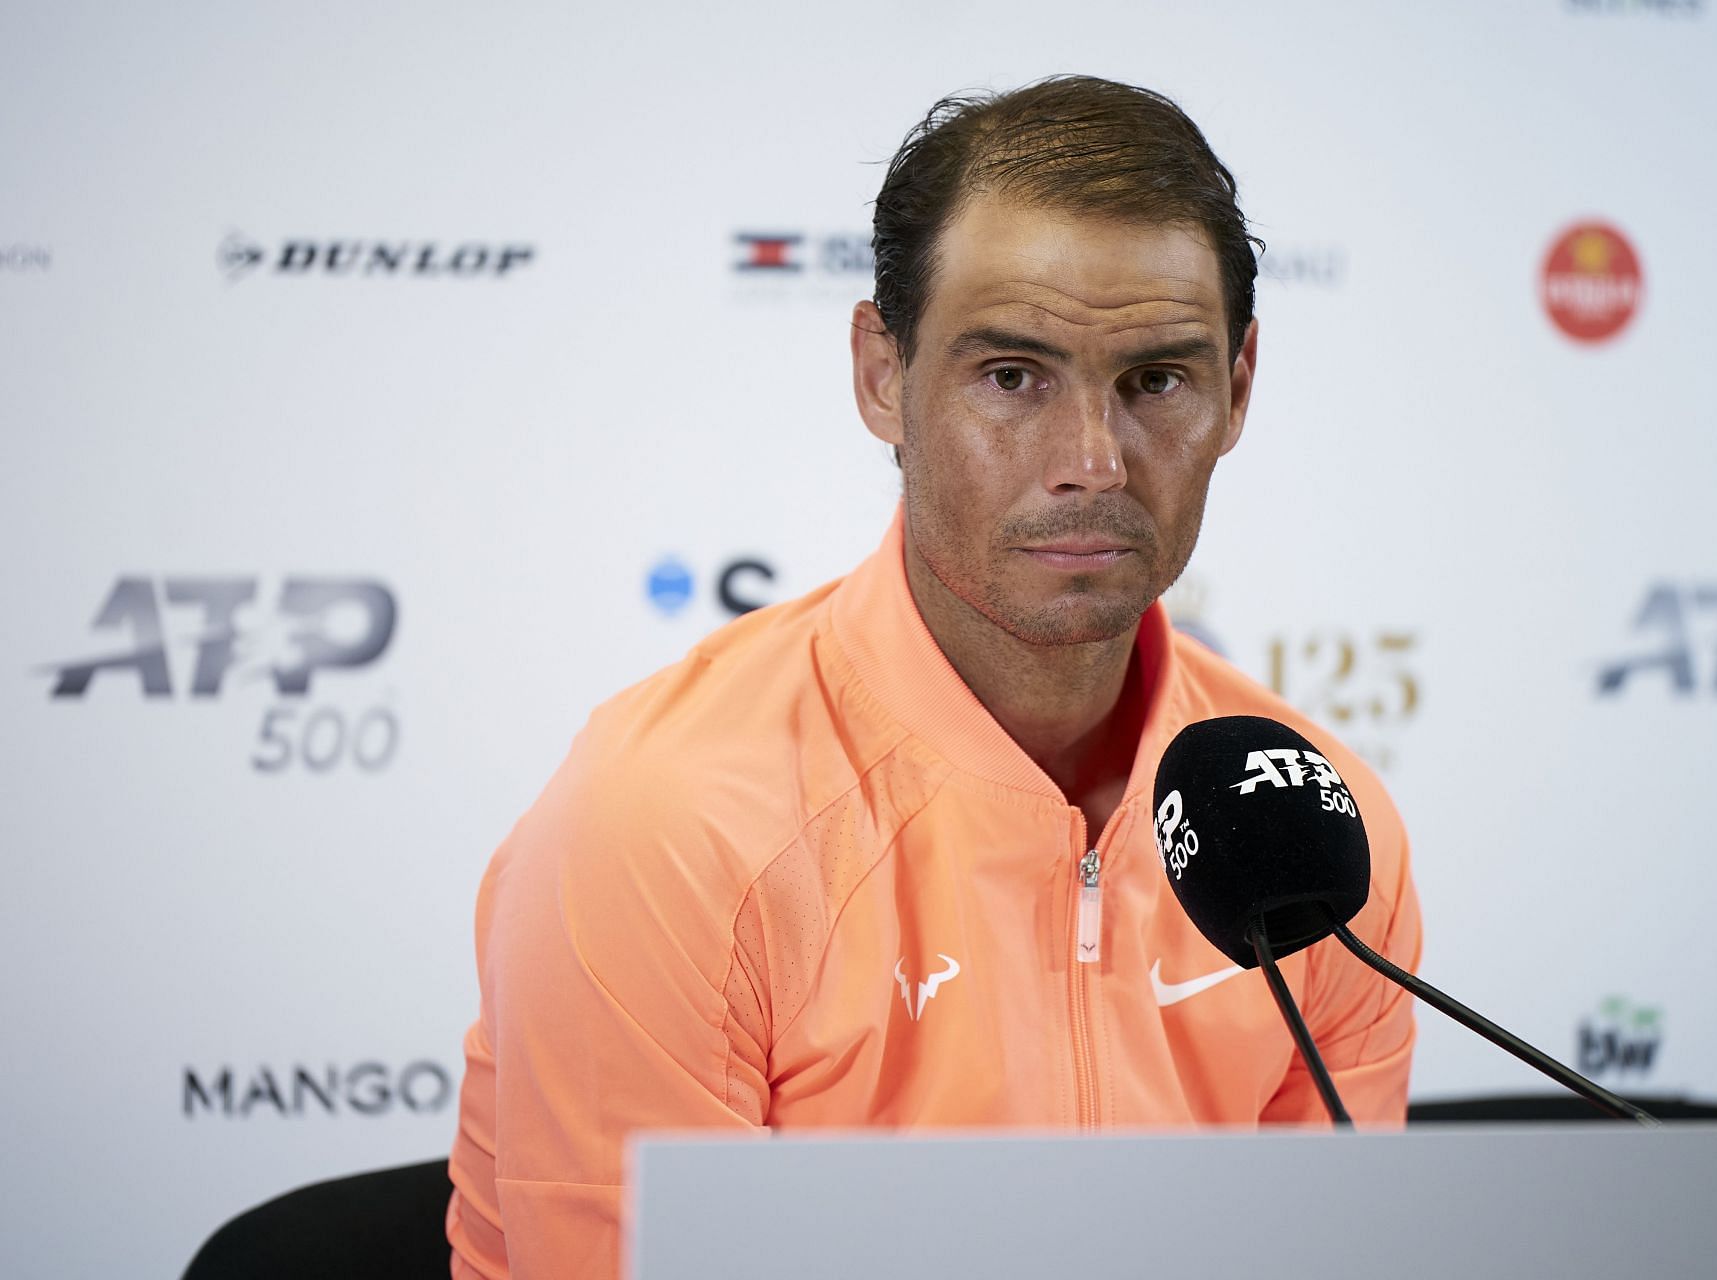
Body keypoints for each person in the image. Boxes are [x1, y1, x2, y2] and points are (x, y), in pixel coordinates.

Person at [446, 75, 1420, 1279]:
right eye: (1012, 375)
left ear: (1240, 387)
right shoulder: (664, 830)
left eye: (1158, 379)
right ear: (879, 374)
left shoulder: (1316, 829)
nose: (1091, 461)